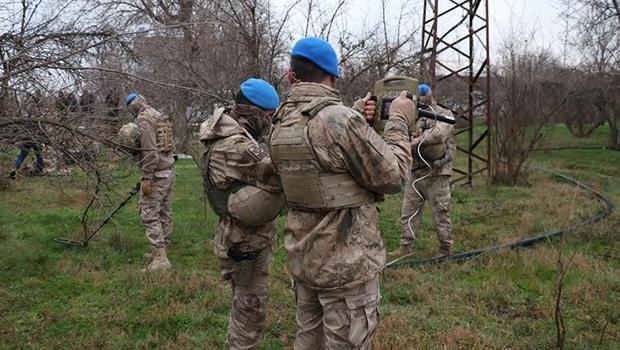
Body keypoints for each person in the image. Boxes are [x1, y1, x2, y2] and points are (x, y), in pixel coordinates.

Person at [269, 37, 415, 349]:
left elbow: (318, 153)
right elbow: (394, 175)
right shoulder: (339, 120)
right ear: (332, 76)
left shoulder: (281, 119)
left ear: (290, 74)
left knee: (309, 340)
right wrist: (399, 121)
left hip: (305, 259)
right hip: (346, 266)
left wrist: (354, 114)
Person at [200, 78, 283, 349]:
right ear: (255, 114)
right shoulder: (238, 147)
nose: (271, 122)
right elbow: (279, 178)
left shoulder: (226, 134)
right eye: (269, 116)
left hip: (237, 236)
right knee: (249, 314)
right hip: (245, 242)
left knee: (244, 308)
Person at [390, 84, 456, 258]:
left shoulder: (443, 114)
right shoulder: (411, 117)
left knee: (441, 213)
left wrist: (410, 143)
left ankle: (445, 250)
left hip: (437, 172)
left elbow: (439, 135)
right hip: (416, 173)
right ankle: (406, 248)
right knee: (408, 213)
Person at [126, 93, 176, 271]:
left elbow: (150, 151)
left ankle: (160, 258)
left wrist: (147, 176)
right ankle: (163, 248)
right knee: (164, 211)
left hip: (156, 173)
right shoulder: (158, 114)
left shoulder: (144, 120)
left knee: (148, 212)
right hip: (168, 170)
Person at [9, 91, 45, 179]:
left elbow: (20, 127)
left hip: (27, 139)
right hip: (37, 139)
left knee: (22, 156)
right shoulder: (39, 115)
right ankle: (39, 171)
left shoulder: (26, 115)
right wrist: (46, 140)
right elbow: (43, 129)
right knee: (39, 155)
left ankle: (14, 169)